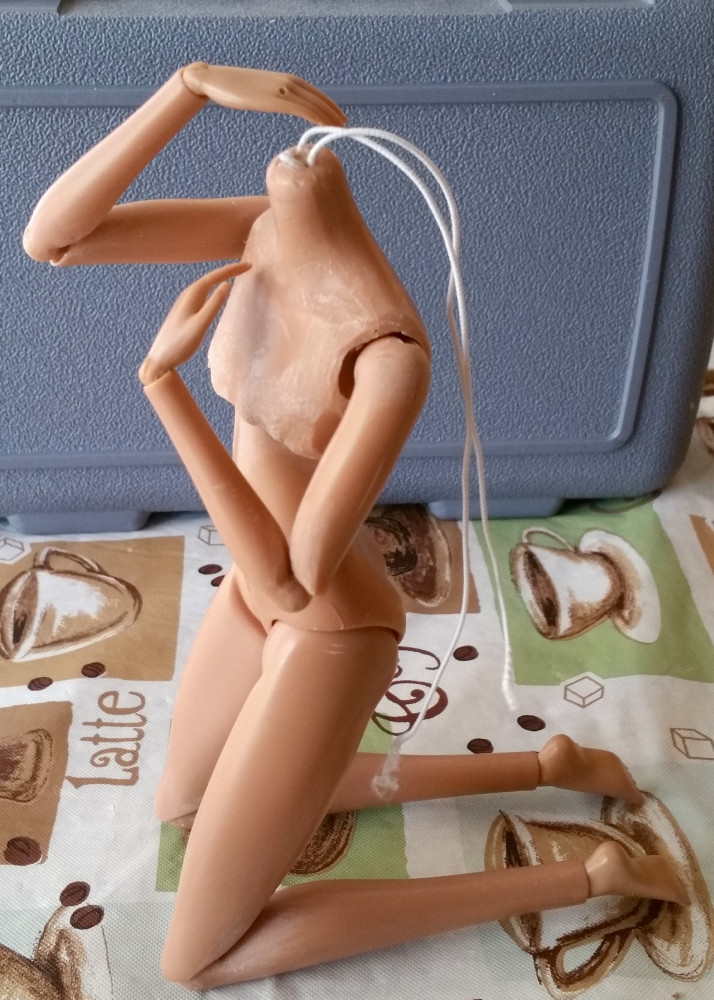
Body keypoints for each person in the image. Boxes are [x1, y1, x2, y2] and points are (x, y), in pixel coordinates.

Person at [24, 63, 685, 990]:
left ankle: (590, 874)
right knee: (185, 802)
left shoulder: (387, 359)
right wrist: (188, 90)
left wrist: (164, 389)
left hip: (330, 629)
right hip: (254, 595)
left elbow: (294, 579)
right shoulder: (259, 231)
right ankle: (546, 762)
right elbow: (53, 240)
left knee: (195, 959)